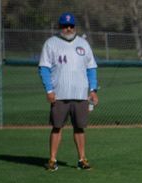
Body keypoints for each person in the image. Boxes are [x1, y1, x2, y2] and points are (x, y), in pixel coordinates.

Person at [38, 13, 98, 172]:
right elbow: (44, 68)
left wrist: (93, 90)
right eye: (65, 26)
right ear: (60, 27)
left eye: (71, 25)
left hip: (80, 94)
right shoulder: (51, 43)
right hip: (59, 94)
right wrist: (49, 90)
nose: (68, 28)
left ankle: (82, 159)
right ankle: (52, 160)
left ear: (75, 26)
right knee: (57, 127)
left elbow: (91, 68)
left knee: (80, 128)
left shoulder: (83, 44)